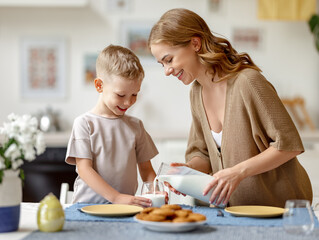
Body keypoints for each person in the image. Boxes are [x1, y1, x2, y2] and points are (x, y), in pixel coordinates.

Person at [148, 8, 312, 208]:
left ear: (195, 43)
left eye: (169, 60)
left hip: (279, 209)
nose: (167, 71)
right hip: (234, 212)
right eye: (161, 64)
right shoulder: (197, 92)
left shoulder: (248, 83)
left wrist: (238, 172)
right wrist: (188, 170)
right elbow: (203, 153)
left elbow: (288, 145)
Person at [65, 44, 158, 207]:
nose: (128, 102)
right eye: (120, 95)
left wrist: (156, 191)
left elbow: (147, 170)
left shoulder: (136, 126)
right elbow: (84, 169)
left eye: (134, 94)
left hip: (125, 209)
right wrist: (116, 197)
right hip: (87, 207)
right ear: (99, 86)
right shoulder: (84, 124)